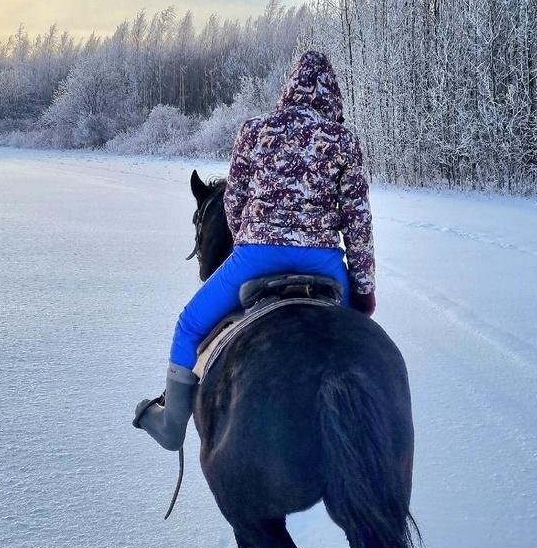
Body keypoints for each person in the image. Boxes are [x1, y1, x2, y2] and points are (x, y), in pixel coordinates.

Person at [133, 50, 376, 451]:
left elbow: (233, 201)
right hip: (326, 264)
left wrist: (248, 237)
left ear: (289, 89)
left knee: (189, 326)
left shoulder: (255, 130)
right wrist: (363, 292)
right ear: (333, 97)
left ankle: (171, 427)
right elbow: (358, 222)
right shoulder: (344, 140)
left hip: (257, 257)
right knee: (363, 342)